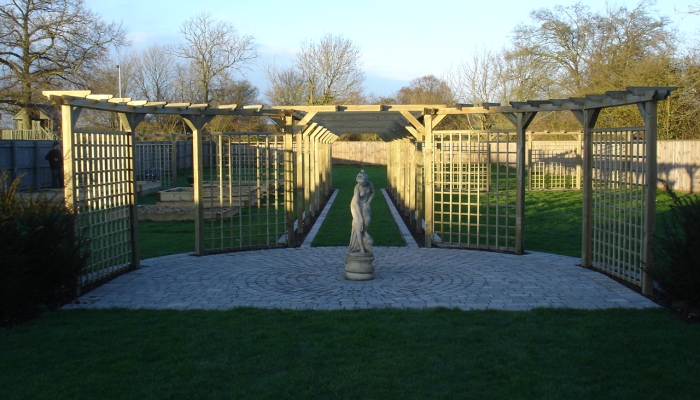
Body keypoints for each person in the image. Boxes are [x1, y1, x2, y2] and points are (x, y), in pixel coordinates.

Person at [348, 169, 375, 254]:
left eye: (362, 182)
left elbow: (372, 193)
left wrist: (368, 202)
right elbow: (355, 203)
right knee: (359, 223)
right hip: (355, 206)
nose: (361, 184)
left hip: (364, 204)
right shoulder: (357, 188)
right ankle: (361, 247)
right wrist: (359, 218)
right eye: (360, 183)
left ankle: (365, 231)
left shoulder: (369, 184)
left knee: (367, 219)